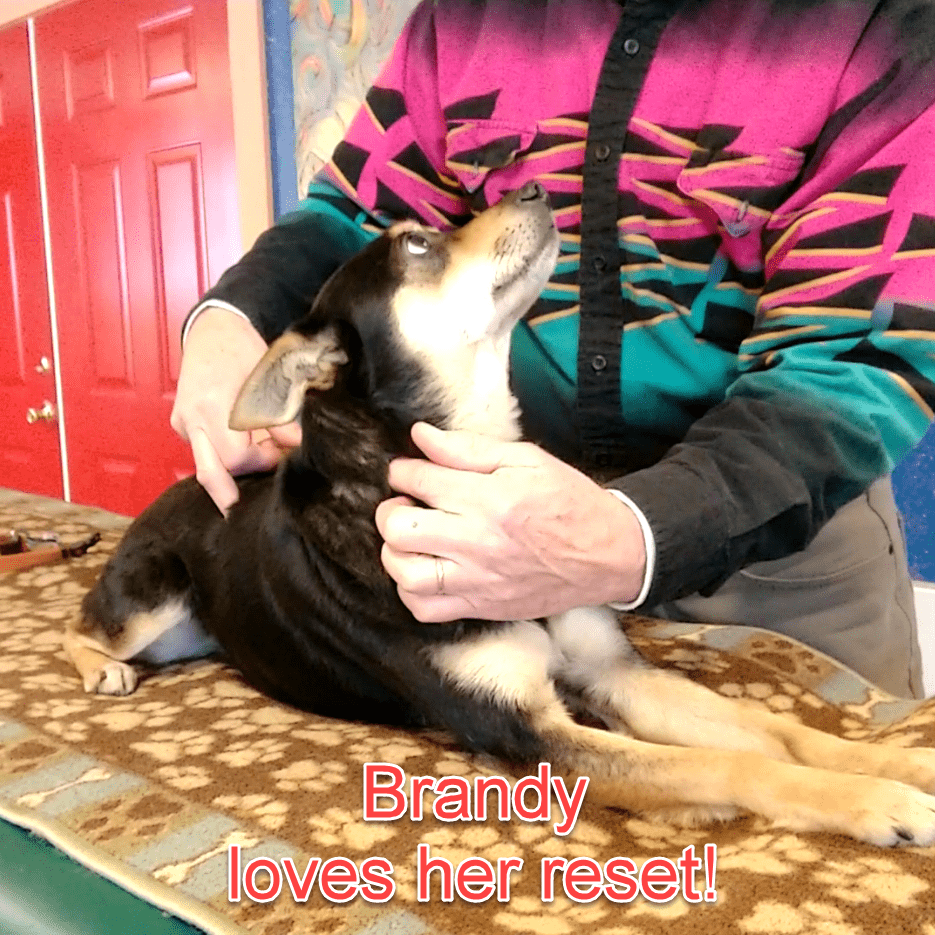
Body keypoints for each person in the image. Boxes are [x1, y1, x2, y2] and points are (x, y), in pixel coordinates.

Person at [172, 0, 935, 698]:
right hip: (495, 534)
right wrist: (229, 317)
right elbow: (362, 218)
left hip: (778, 561)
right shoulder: (460, 20)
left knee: (847, 816)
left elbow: (852, 363)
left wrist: (624, 534)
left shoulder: (877, 25)